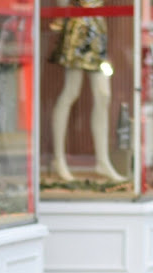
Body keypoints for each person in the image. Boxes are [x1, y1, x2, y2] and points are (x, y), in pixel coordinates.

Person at [49, 0, 125, 182]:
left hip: (96, 24)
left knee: (103, 94)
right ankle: (58, 158)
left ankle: (102, 160)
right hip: (78, 25)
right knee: (71, 91)